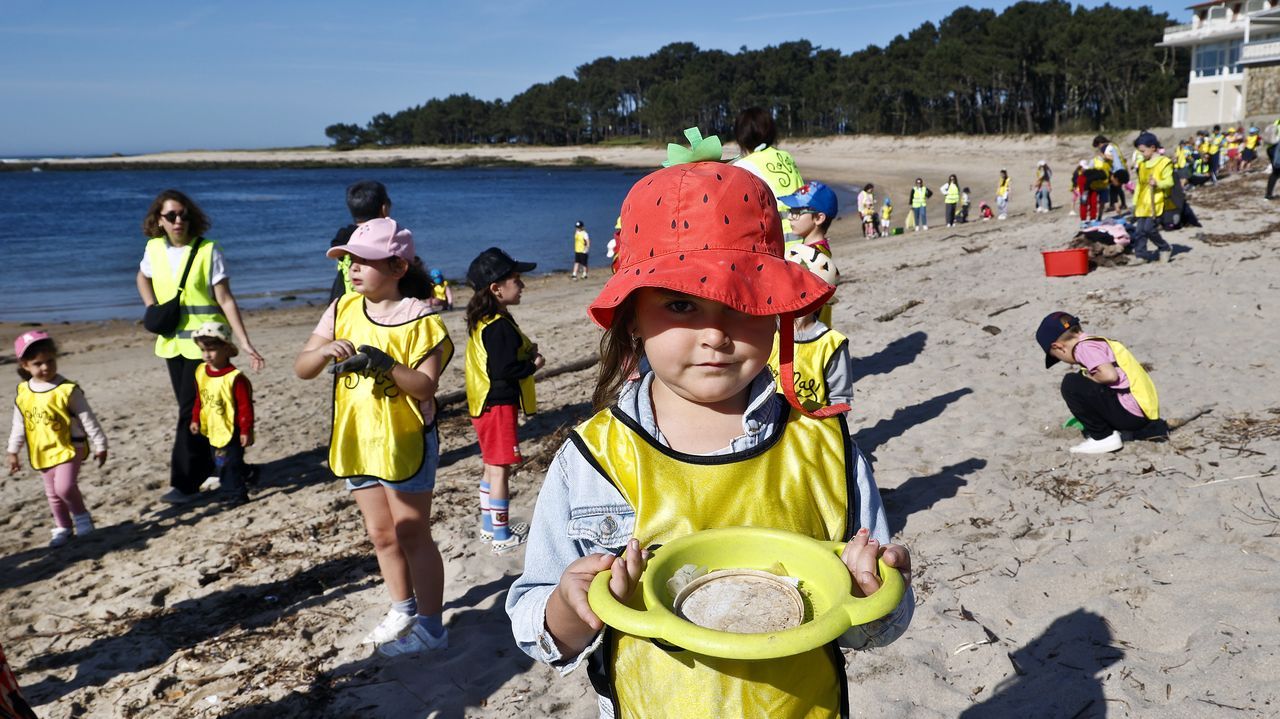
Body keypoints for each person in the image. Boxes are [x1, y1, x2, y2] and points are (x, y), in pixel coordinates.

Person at [506, 158, 913, 719]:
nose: (716, 334)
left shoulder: (824, 448)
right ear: (633, 317)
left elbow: (869, 627)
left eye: (742, 302)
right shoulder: (593, 460)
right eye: (681, 305)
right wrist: (569, 610)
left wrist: (875, 593)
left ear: (776, 311)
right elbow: (537, 622)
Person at [293, 217, 453, 655]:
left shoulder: (420, 319)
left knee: (413, 533)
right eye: (349, 261)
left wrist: (384, 364)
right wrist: (323, 352)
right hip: (357, 441)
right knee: (382, 535)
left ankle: (432, 628)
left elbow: (425, 387)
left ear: (398, 267)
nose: (353, 269)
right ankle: (402, 608)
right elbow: (302, 368)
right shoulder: (342, 309)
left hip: (404, 442)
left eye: (365, 261)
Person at [136, 190, 264, 504]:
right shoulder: (154, 248)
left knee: (188, 412)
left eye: (183, 214)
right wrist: (152, 307)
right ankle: (233, 469)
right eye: (170, 216)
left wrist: (244, 341)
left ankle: (185, 484)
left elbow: (225, 299)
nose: (178, 221)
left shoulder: (208, 250)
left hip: (207, 347)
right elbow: (142, 276)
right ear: (159, 220)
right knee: (203, 411)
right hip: (172, 345)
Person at [464, 247, 543, 554]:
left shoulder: (484, 320)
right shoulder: (498, 326)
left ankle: (489, 527)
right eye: (516, 279)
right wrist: (533, 365)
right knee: (500, 470)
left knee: (490, 466)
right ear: (496, 288)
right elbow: (504, 370)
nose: (522, 285)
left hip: (482, 405)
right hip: (497, 406)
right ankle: (501, 535)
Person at [7, 330, 106, 548]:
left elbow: (87, 417)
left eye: (50, 361)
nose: (45, 367)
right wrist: (13, 451)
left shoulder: (67, 389)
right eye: (38, 363)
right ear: (25, 365)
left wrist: (100, 444)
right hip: (42, 450)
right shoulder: (24, 392)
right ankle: (63, 527)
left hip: (70, 446)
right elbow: (19, 424)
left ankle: (82, 519)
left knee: (64, 487)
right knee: (52, 494)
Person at [1036, 312, 1158, 454]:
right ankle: (1116, 430)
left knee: (1071, 384)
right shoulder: (1097, 342)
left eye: (1057, 357)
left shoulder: (1083, 348)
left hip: (1131, 415)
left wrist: (1088, 377)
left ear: (1058, 347)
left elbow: (1110, 376)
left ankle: (1103, 437)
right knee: (1083, 377)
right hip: (1142, 410)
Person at [766, 245, 853, 414]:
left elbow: (840, 398)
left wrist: (831, 425)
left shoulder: (830, 344)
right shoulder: (767, 331)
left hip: (812, 427)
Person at [189, 322, 255, 506]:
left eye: (211, 350)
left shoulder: (234, 378)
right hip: (213, 428)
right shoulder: (201, 372)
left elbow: (245, 407)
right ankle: (246, 475)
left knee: (228, 463)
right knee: (222, 461)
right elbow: (200, 398)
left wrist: (246, 430)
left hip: (231, 429)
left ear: (226, 349)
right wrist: (195, 418)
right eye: (203, 350)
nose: (207, 355)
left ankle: (237, 494)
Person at [732, 107, 805, 237]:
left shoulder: (743, 166)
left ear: (740, 137)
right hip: (805, 229)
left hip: (777, 236)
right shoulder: (785, 156)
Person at [329, 181, 393, 303]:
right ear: (384, 208)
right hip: (372, 302)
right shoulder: (384, 238)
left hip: (342, 300)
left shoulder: (342, 239)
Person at [1130, 132, 1174, 264]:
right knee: (1139, 231)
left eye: (1143, 151)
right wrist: (1134, 202)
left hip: (1157, 202)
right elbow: (1140, 185)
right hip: (1142, 202)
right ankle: (1141, 255)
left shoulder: (1164, 162)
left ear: (1153, 148)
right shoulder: (1142, 164)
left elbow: (1170, 182)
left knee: (1149, 229)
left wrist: (1157, 183)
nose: (1141, 154)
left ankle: (1164, 248)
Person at [778, 180, 838, 257]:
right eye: (791, 211)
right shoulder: (811, 250)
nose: (789, 217)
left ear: (819, 218)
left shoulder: (812, 257)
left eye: (797, 212)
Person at [1094, 135, 1128, 212]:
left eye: (1098, 146)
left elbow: (1111, 157)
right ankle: (1121, 204)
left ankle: (1115, 206)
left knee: (1114, 188)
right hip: (1122, 168)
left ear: (1100, 143)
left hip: (1116, 170)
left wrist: (1103, 156)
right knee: (1117, 188)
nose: (1099, 148)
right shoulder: (1114, 145)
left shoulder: (1106, 147)